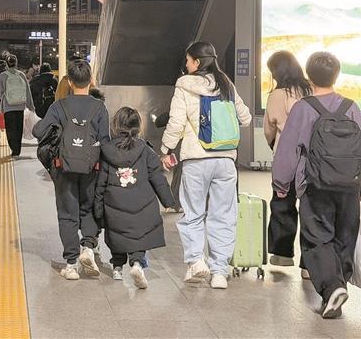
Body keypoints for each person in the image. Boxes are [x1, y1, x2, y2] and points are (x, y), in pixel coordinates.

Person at [272, 51, 361, 319]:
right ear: (337, 75)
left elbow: (288, 149)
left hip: (315, 186)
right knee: (344, 237)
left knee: (317, 238)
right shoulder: (351, 107)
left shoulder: (304, 108)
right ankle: (337, 286)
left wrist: (281, 183)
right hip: (349, 187)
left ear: (309, 77)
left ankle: (332, 287)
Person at [160, 41, 251, 290]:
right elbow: (245, 118)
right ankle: (219, 271)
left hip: (196, 159)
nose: (186, 64)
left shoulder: (185, 85)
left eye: (188, 60)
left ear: (197, 62)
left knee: (193, 212)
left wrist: (166, 149)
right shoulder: (226, 83)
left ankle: (197, 261)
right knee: (223, 215)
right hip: (225, 160)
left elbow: (176, 123)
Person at [32, 60, 110, 280]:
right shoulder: (99, 108)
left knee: (67, 214)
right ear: (91, 80)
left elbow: (39, 131)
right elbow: (105, 140)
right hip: (91, 167)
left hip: (63, 167)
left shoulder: (59, 107)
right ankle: (88, 247)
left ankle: (72, 264)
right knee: (88, 209)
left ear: (70, 82)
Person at [94, 107, 174, 289]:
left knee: (117, 236)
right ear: (138, 127)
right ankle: (137, 263)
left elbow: (101, 183)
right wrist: (167, 201)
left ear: (115, 126)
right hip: (141, 204)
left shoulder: (107, 152)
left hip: (115, 205)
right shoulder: (145, 150)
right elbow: (157, 177)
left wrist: (98, 209)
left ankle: (117, 268)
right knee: (139, 235)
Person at [263, 50, 312, 272]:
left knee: (282, 203)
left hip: (286, 156)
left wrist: (274, 144)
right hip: (311, 158)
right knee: (311, 209)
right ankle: (309, 264)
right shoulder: (310, 90)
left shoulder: (277, 94)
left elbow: (269, 129)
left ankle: (282, 254)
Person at [0, 54, 34, 158]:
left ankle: (13, 149)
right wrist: (30, 105)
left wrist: (5, 97)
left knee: (10, 129)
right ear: (16, 63)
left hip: (8, 107)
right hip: (20, 107)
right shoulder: (21, 75)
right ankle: (17, 151)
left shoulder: (2, 76)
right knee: (18, 129)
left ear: (6, 64)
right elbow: (27, 91)